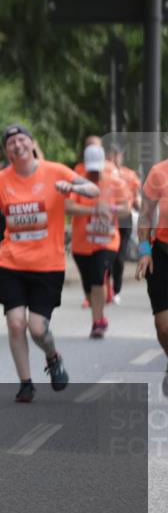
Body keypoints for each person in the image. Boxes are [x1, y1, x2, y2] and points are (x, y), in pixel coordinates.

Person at [0, 124, 98, 403]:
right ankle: (25, 383)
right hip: (11, 263)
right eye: (11, 142)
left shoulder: (55, 171)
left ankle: (52, 356)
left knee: (37, 329)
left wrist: (73, 186)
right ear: (7, 151)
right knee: (15, 324)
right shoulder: (1, 181)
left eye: (22, 139)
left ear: (32, 143)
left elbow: (93, 190)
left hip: (48, 265)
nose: (17, 145)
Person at [67, 145, 129, 338]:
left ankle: (97, 322)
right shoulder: (77, 182)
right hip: (81, 243)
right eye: (91, 169)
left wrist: (110, 209)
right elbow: (68, 206)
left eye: (97, 169)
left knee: (98, 277)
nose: (94, 173)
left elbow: (126, 209)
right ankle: (98, 314)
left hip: (106, 241)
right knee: (88, 286)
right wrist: (93, 210)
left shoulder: (115, 182)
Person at [135, 158, 168, 397]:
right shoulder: (159, 173)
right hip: (162, 255)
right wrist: (145, 250)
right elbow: (145, 215)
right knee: (163, 326)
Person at [111, 144, 142, 303]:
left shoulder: (129, 175)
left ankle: (116, 290)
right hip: (107, 219)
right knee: (105, 255)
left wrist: (140, 205)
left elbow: (136, 199)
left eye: (117, 155)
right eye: (111, 155)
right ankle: (101, 287)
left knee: (119, 257)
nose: (114, 158)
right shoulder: (102, 174)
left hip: (124, 218)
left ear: (121, 156)